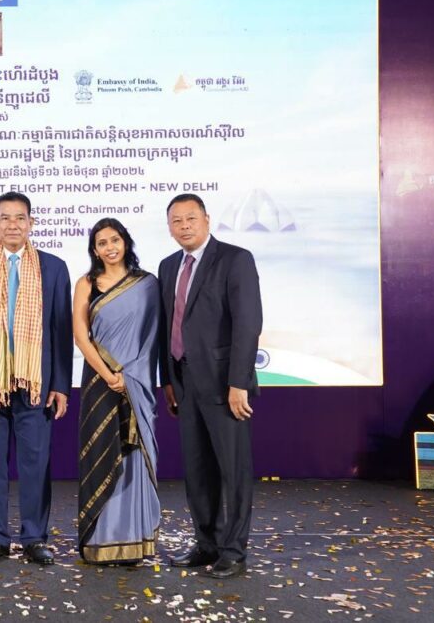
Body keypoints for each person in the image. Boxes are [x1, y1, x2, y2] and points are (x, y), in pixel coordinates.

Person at [0, 192, 73, 566]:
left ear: (31, 223)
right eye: (5, 218)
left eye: (20, 218)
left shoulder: (53, 268)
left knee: (35, 464)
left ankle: (34, 538)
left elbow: (61, 330)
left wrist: (60, 384)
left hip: (36, 382)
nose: (12, 225)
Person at [158, 194, 262, 580]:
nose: (184, 226)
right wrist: (168, 379)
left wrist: (238, 383)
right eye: (176, 220)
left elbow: (248, 323)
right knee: (198, 470)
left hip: (224, 386)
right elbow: (168, 325)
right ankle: (207, 543)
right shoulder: (169, 266)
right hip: (184, 383)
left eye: (190, 218)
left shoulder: (235, 259)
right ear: (169, 227)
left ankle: (234, 551)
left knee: (233, 471)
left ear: (206, 219)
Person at [72, 218, 161, 565]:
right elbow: (81, 336)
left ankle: (134, 539)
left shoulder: (147, 284)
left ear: (125, 242)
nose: (109, 247)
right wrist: (109, 375)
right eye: (102, 243)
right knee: (102, 451)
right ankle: (101, 540)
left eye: (115, 240)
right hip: (100, 381)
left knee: (133, 454)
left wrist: (130, 377)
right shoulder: (86, 284)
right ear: (94, 250)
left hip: (135, 383)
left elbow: (152, 339)